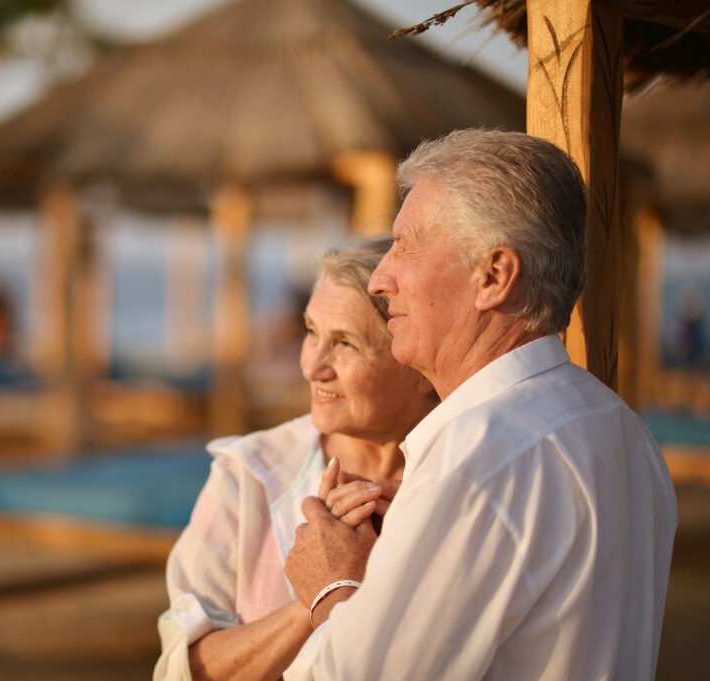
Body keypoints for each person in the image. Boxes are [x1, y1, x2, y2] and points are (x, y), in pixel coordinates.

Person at [283, 128, 678, 680]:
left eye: (405, 244)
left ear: (492, 276)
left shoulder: (479, 456)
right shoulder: (624, 432)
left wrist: (331, 583)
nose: (379, 278)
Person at [153, 236, 438, 681]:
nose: (311, 366)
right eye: (311, 332)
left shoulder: (462, 483)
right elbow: (186, 671)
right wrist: (318, 595)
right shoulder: (249, 476)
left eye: (344, 343)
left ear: (420, 364)